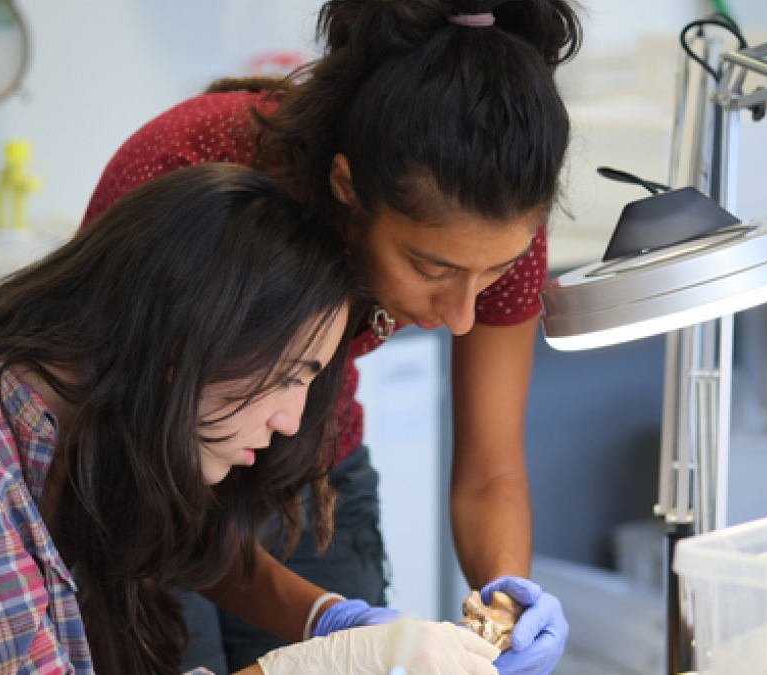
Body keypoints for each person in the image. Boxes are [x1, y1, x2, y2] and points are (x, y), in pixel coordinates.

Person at [0, 164, 499, 674]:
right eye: (286, 377)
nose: (288, 420)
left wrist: (332, 622)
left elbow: (204, 551)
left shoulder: (89, 436)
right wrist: (323, 664)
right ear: (183, 348)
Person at [83, 1, 582, 674]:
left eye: (492, 272)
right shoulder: (195, 183)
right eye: (431, 268)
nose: (462, 313)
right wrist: (330, 631)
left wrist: (507, 596)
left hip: (307, 470)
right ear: (346, 189)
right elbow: (135, 484)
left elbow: (491, 468)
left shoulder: (493, 216)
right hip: (145, 478)